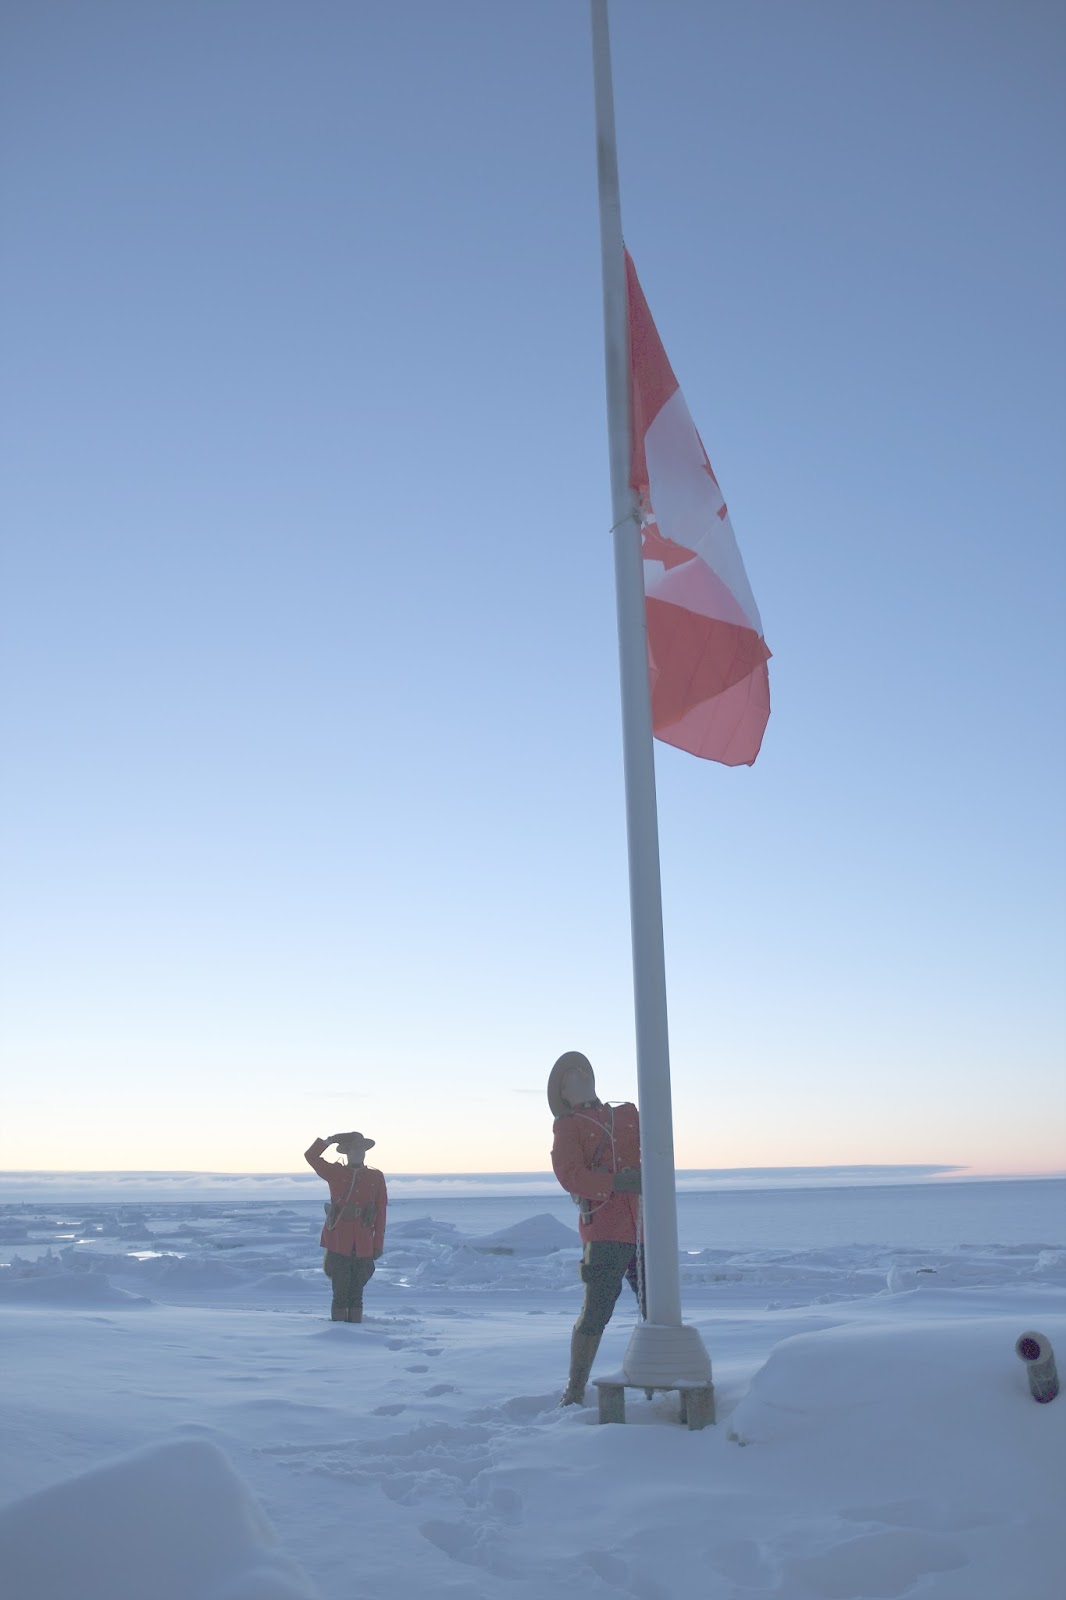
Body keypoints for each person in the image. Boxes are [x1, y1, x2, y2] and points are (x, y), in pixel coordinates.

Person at [548, 1050, 643, 1405]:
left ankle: (657, 1371)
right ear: (563, 1093)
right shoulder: (568, 1125)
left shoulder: (627, 1113)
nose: (579, 1076)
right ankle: (575, 1388)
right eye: (569, 1075)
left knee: (657, 1306)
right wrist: (617, 1182)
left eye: (582, 1071)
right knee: (598, 1309)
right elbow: (571, 1176)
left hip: (647, 1226)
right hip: (606, 1227)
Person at [303, 1131, 387, 1322]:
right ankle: (339, 1335)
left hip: (363, 1243)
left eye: (362, 1148)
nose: (359, 1152)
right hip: (339, 1241)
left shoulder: (376, 1177)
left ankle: (355, 1330)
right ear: (347, 1151)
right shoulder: (336, 1172)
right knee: (340, 1292)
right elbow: (310, 1156)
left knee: (357, 1293)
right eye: (355, 1148)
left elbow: (381, 1213)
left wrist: (377, 1245)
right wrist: (330, 1140)